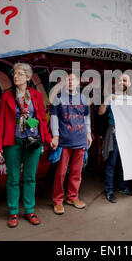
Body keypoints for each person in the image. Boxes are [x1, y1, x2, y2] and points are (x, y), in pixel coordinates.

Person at [0, 63, 52, 228]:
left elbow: (42, 120)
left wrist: (47, 138)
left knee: (30, 178)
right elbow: (0, 121)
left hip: (33, 141)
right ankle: (13, 212)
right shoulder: (7, 96)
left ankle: (30, 210)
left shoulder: (37, 95)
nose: (15, 76)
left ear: (28, 77)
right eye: (14, 74)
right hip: (13, 142)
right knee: (13, 179)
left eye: (19, 74)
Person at [50, 72, 92, 215]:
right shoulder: (58, 98)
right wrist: (55, 135)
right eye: (68, 79)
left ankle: (72, 197)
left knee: (76, 172)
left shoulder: (83, 98)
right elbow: (54, 118)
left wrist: (88, 133)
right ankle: (57, 201)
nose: (70, 82)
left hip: (80, 140)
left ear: (78, 82)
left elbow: (86, 117)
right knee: (60, 173)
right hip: (64, 141)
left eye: (73, 79)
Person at [98, 74, 132, 203]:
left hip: (127, 133)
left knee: (124, 162)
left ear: (129, 84)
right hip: (113, 131)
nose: (121, 82)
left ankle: (123, 187)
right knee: (111, 162)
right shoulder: (111, 97)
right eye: (119, 80)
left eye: (124, 80)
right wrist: (107, 101)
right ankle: (109, 191)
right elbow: (100, 112)